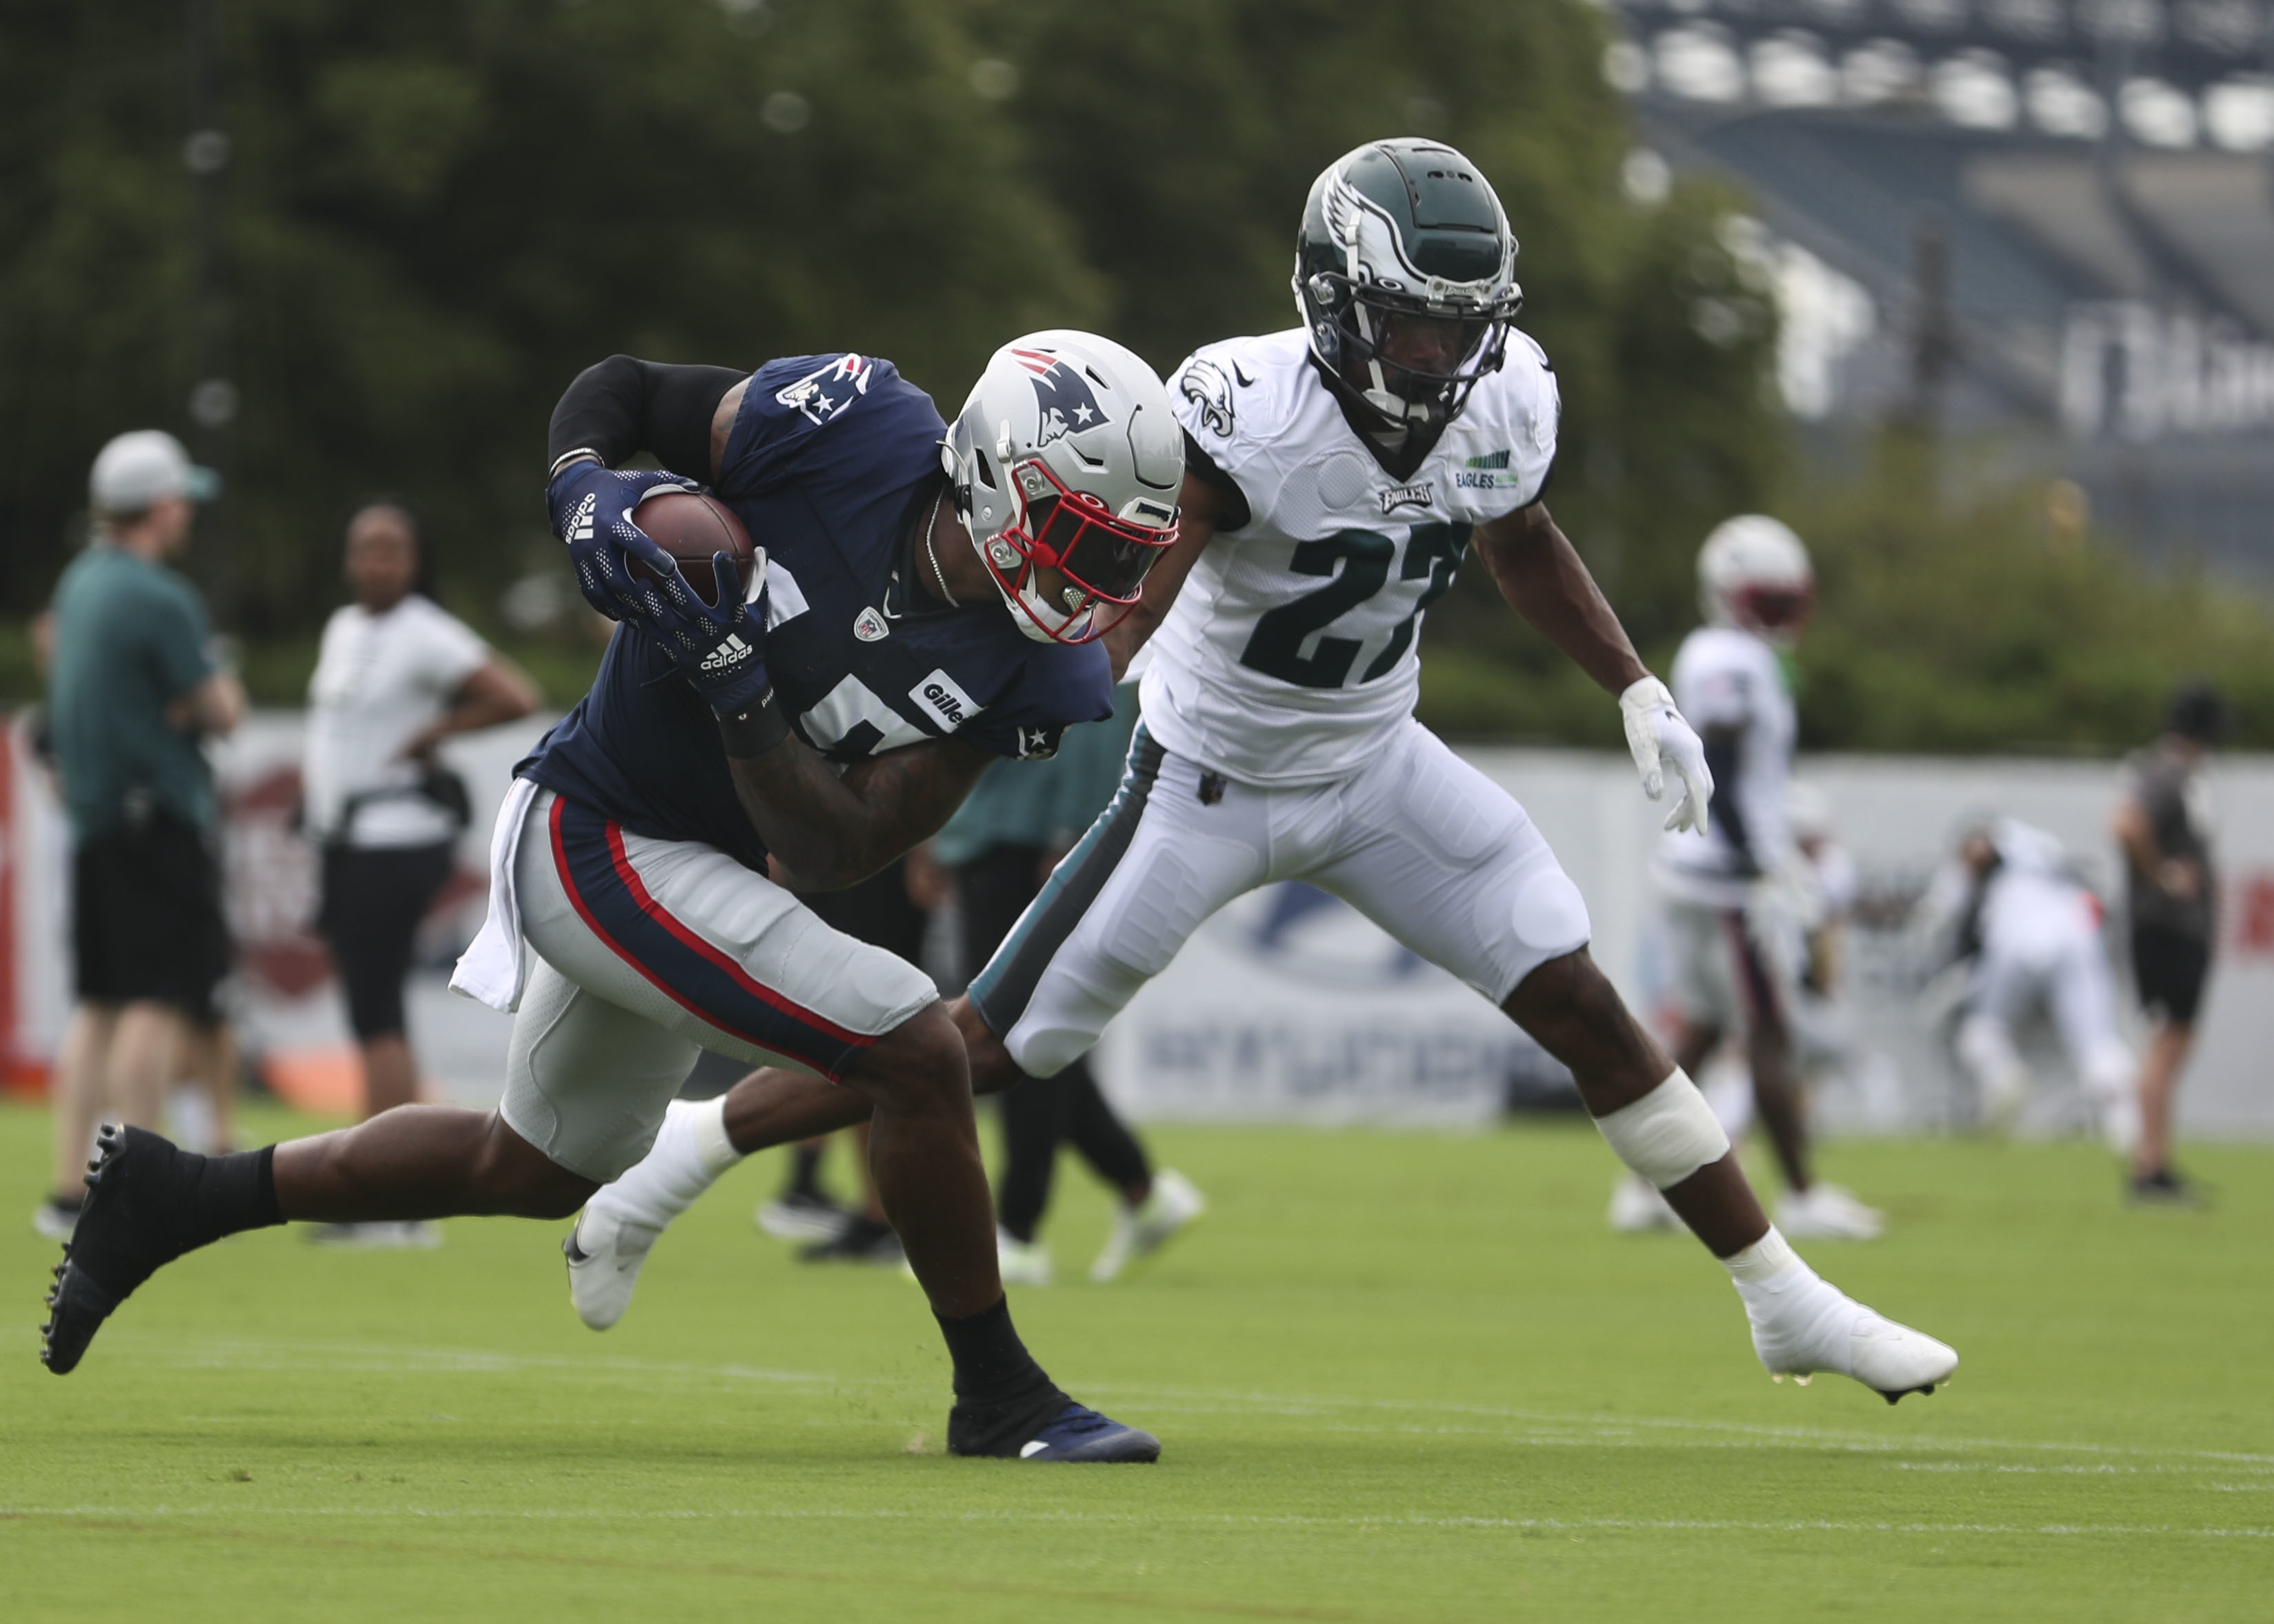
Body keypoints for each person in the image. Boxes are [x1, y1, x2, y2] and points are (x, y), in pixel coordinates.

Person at [585, 139, 1959, 1405]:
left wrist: (1633, 682)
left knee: (1585, 1003)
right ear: (1334, 299)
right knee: (988, 1042)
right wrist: (1054, 688)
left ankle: (1781, 1296)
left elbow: (1518, 535)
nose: (1442, 352)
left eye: (1463, 322)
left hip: (1375, 764)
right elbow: (1125, 582)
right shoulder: (1240, 410)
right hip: (1206, 778)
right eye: (1414, 319)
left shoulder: (1507, 395)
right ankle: (689, 1147)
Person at [43, 330, 1182, 1466]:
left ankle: (178, 1193)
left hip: (708, 868)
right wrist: (584, 488)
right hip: (593, 827)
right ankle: (998, 1396)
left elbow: (840, 851)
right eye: (1081, 540)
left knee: (532, 1170)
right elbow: (627, 390)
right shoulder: (856, 430)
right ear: (989, 472)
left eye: (1124, 559)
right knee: (916, 1045)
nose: (1101, 585)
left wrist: (740, 693)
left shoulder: (1035, 666)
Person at [1617, 518, 1884, 1241]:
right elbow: (1725, 769)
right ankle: (1799, 1193)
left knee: (1701, 1032)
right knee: (1768, 1031)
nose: (1782, 615)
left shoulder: (1726, 652)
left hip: (1707, 871)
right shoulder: (1728, 657)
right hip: (1726, 880)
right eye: (1770, 600)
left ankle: (1640, 1187)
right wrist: (1763, 864)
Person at [301, 501, 539, 1247]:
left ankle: (383, 1193)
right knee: (372, 1012)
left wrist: (435, 732)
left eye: (392, 549)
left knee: (375, 1012)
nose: (378, 562)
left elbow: (514, 693)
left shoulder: (425, 631)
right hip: (347, 839)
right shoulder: (345, 627)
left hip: (395, 835)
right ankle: (388, 1189)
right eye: (365, 548)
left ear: (414, 560)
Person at [34, 430, 244, 1241]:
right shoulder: (160, 597)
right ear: (161, 506)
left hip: (92, 823)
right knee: (154, 1002)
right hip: (154, 820)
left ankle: (66, 1189)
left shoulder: (79, 583)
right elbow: (223, 708)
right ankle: (137, 1184)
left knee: (98, 1004)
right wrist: (195, 699)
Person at [929, 679, 1202, 1287]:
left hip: (1028, 846)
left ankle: (1019, 1230)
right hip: (987, 837)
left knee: (1010, 1033)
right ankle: (1140, 1189)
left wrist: (1073, 833)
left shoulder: (1074, 605)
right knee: (1014, 1033)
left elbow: (1100, 705)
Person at [1929, 817, 2137, 1150]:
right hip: (2076, 935)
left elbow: (1959, 928)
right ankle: (2128, 1135)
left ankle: (2004, 1082)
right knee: (2098, 1045)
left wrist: (1962, 974)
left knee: (1981, 1034)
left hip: (2016, 939)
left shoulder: (2000, 872)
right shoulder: (2043, 861)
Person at [2112, 681, 2226, 1203]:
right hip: (2167, 927)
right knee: (2168, 1040)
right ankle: (2148, 1163)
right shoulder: (2166, 773)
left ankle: (2154, 1158)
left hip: (2173, 928)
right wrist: (2160, 875)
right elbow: (2126, 822)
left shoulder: (2174, 773)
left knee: (2171, 1041)